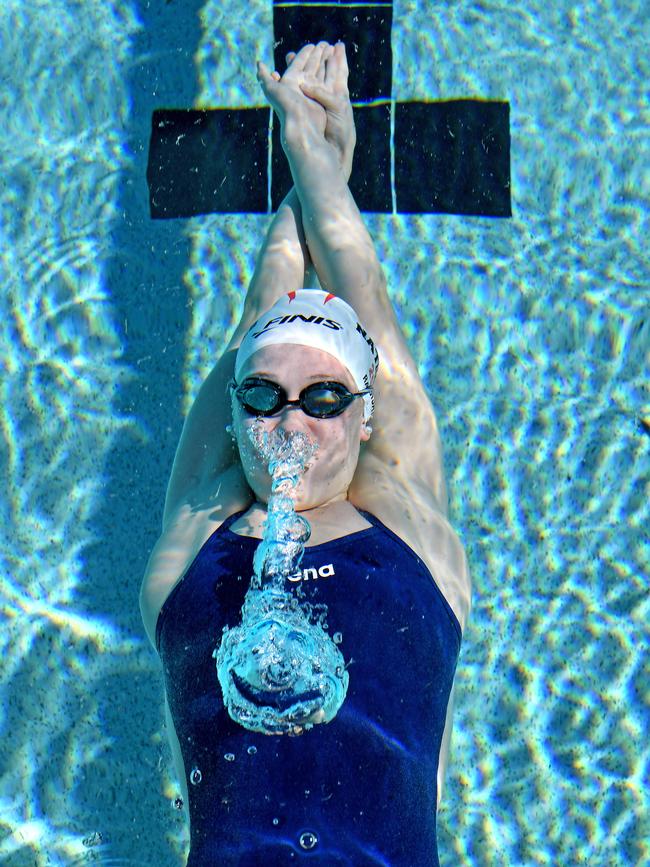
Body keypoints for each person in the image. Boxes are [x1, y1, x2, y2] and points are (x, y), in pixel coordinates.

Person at [140, 42, 471, 866]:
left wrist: (315, 164)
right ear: (237, 412)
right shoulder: (196, 532)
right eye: (264, 398)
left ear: (365, 415)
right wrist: (319, 162)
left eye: (325, 399)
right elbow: (260, 318)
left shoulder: (408, 520)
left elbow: (365, 306)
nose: (293, 422)